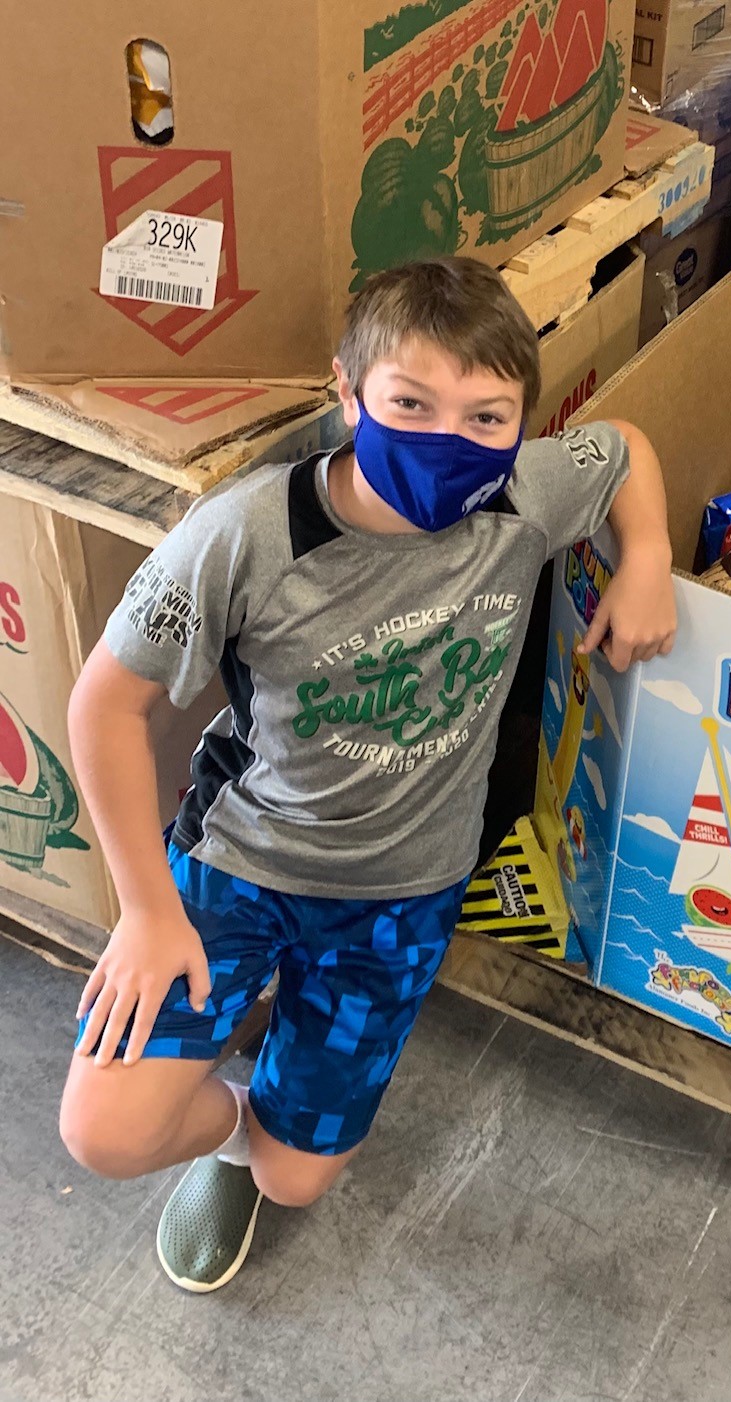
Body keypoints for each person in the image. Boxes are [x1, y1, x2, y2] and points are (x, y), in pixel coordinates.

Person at [57, 257, 678, 1293]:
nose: (448, 439)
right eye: (410, 404)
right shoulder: (245, 536)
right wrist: (148, 911)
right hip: (246, 857)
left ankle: (258, 1124)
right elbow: (104, 706)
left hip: (402, 889)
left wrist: (647, 552)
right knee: (107, 1131)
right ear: (347, 393)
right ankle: (228, 1116)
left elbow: (621, 450)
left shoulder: (524, 494)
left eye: (487, 416)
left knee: (295, 1179)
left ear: (520, 422)